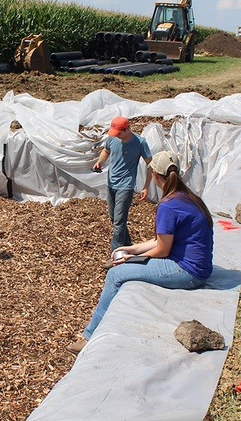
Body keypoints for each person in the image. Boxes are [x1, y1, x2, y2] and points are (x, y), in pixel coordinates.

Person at [69, 151, 214, 354]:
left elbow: (162, 250)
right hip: (199, 267)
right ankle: (102, 315)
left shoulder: (168, 206)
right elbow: (162, 240)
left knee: (115, 274)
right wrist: (132, 248)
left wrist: (133, 258)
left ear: (154, 174)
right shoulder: (188, 197)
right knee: (123, 267)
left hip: (189, 272)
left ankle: (89, 337)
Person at [93, 116, 153, 255]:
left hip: (126, 185)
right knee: (114, 218)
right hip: (111, 183)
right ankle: (128, 244)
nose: (116, 135)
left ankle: (116, 253)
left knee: (119, 221)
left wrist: (146, 186)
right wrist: (100, 162)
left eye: (119, 132)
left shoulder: (140, 143)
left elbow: (150, 164)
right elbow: (106, 151)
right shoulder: (113, 138)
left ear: (127, 129)